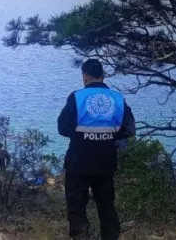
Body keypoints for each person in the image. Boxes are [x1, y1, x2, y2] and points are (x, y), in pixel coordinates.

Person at [58, 59, 135, 240]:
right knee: (106, 206)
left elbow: (62, 128)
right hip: (106, 163)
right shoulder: (117, 98)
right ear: (103, 75)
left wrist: (81, 135)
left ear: (85, 76)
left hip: (78, 162)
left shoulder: (76, 97)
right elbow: (129, 129)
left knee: (77, 208)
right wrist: (109, 136)